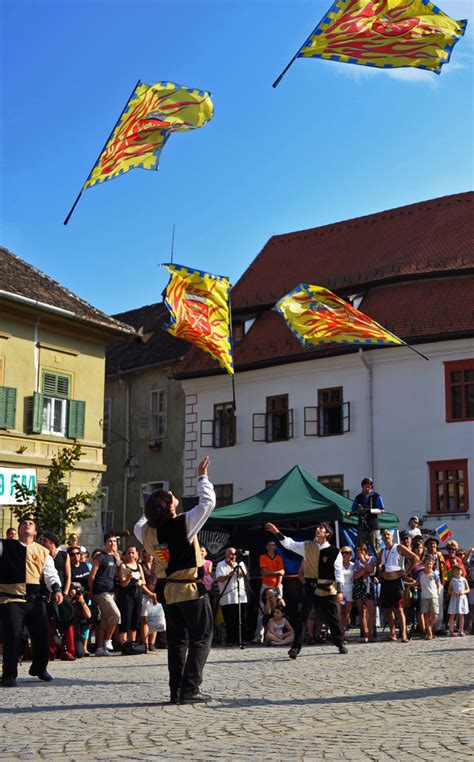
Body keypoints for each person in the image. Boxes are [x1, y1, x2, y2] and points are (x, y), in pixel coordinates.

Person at [134, 456, 216, 704]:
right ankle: (190, 688)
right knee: (201, 637)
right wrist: (202, 477)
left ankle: (176, 689)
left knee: (177, 640)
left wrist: (153, 507)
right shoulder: (184, 524)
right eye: (169, 497)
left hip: (168, 591)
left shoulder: (145, 531)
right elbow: (208, 503)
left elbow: (141, 520)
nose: (173, 496)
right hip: (189, 589)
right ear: (170, 507)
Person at [265, 521, 347, 657]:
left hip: (327, 588)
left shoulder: (334, 552)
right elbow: (289, 544)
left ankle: (339, 643)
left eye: (321, 528)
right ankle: (295, 648)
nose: (318, 529)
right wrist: (276, 532)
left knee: (332, 618)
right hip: (311, 587)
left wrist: (340, 591)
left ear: (327, 533)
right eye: (317, 527)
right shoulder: (307, 546)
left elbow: (338, 573)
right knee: (303, 618)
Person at [0, 516, 63, 687]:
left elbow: (51, 574)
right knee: (13, 635)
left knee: (42, 634)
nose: (27, 525)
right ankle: (9, 674)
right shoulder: (5, 546)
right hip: (11, 599)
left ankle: (39, 668)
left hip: (35, 601)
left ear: (35, 532)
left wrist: (56, 589)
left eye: (31, 524)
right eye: (24, 523)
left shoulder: (43, 551)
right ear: (19, 529)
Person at [38, 530, 74, 660]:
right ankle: (50, 651)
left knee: (66, 622)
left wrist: (64, 593)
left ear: (51, 542)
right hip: (46, 594)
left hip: (62, 593)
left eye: (44, 540)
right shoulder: (42, 555)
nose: (41, 542)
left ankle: (68, 650)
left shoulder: (64, 555)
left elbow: (68, 576)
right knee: (48, 623)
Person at [378, 529, 418, 643]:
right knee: (388, 610)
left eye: (388, 534)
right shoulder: (382, 551)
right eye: (384, 535)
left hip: (397, 582)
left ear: (392, 537)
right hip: (385, 583)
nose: (386, 536)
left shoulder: (398, 547)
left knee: (399, 609)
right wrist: (379, 569)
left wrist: (406, 571)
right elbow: (378, 564)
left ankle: (404, 635)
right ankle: (392, 634)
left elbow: (415, 558)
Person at [88, 533, 122, 656]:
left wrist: (119, 560)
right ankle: (108, 640)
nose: (113, 544)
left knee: (104, 620)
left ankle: (100, 648)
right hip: (101, 591)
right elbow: (92, 576)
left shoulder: (115, 558)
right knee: (115, 615)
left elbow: (121, 573)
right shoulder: (100, 557)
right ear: (105, 543)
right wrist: (93, 592)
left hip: (112, 591)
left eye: (115, 541)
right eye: (110, 541)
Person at [253, 538, 285, 643]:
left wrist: (278, 585)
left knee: (278, 609)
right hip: (266, 585)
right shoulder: (263, 557)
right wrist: (277, 572)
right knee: (262, 611)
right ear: (267, 547)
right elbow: (265, 572)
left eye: (273, 545)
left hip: (276, 586)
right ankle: (259, 635)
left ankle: (277, 634)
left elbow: (282, 573)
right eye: (269, 545)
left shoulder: (279, 558)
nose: (271, 547)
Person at [216, 547, 248, 646]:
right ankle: (231, 639)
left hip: (240, 596)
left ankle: (241, 639)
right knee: (229, 619)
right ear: (226, 554)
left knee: (241, 618)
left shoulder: (240, 563)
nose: (232, 555)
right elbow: (219, 579)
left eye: (234, 554)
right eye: (230, 553)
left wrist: (235, 566)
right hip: (227, 596)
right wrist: (229, 575)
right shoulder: (220, 564)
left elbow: (244, 575)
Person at [117, 545, 148, 647]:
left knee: (135, 619)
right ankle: (124, 644)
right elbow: (123, 584)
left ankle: (132, 643)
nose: (131, 555)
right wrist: (128, 578)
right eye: (128, 553)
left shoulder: (138, 566)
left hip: (137, 594)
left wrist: (140, 582)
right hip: (127, 596)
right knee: (126, 620)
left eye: (133, 553)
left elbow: (144, 581)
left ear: (136, 554)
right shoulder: (123, 566)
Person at [348, 478, 385, 554]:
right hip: (362, 525)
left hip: (373, 525)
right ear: (362, 487)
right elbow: (353, 510)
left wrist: (371, 511)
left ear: (371, 487)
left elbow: (382, 510)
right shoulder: (358, 497)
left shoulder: (376, 496)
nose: (367, 488)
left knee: (375, 547)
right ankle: (361, 564)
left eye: (369, 486)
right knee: (360, 547)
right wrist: (350, 514)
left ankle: (378, 564)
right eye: (365, 486)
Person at [352, 544, 377, 642]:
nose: (358, 552)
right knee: (361, 611)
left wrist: (363, 562)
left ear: (365, 550)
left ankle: (371, 634)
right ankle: (365, 634)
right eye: (357, 550)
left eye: (360, 550)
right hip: (359, 585)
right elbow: (355, 576)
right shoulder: (356, 562)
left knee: (371, 611)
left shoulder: (372, 559)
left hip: (368, 585)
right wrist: (364, 570)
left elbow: (370, 569)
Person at [417, 556, 441, 640]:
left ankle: (429, 627)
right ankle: (430, 633)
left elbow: (438, 584)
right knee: (426, 616)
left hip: (434, 596)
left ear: (433, 564)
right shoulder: (420, 574)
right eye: (427, 564)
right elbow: (417, 583)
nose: (429, 565)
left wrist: (436, 592)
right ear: (424, 564)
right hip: (424, 597)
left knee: (435, 615)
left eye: (430, 564)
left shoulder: (435, 574)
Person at [447, 564, 470, 637]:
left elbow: (468, 589)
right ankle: (451, 630)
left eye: (459, 570)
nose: (457, 572)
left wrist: (463, 592)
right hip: (454, 598)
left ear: (462, 571)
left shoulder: (464, 579)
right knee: (452, 614)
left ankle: (461, 630)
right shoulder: (453, 580)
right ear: (453, 572)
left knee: (461, 614)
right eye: (456, 571)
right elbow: (449, 590)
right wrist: (453, 593)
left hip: (462, 598)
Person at [339, 546, 354, 637]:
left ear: (350, 555)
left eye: (347, 553)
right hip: (341, 592)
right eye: (343, 553)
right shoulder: (338, 565)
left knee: (346, 614)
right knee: (339, 613)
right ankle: (339, 634)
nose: (344, 554)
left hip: (349, 592)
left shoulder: (353, 565)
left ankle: (343, 634)